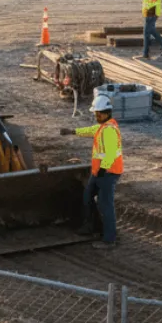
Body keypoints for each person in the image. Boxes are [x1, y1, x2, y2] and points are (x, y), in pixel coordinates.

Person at [60, 92, 123, 246]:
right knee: (87, 196)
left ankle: (109, 239)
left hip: (108, 173)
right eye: (95, 113)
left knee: (105, 204)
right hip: (99, 172)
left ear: (106, 113)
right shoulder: (102, 127)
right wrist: (73, 131)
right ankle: (89, 226)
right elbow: (90, 130)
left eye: (98, 113)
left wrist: (102, 170)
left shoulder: (109, 131)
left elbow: (110, 154)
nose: (96, 116)